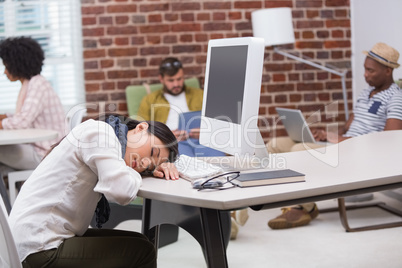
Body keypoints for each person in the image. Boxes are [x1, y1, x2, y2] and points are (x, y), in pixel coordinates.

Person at [8, 113, 179, 267]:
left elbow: (121, 180)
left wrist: (152, 170)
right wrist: (137, 174)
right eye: (152, 152)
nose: (145, 163)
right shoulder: (100, 133)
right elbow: (121, 190)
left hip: (37, 238)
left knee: (141, 241)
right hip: (38, 247)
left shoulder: (109, 139)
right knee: (143, 252)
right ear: (141, 128)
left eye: (151, 165)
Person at [267, 42, 402, 229]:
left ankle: (301, 206)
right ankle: (300, 204)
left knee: (298, 150)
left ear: (388, 71)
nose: (365, 75)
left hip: (361, 154)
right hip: (343, 145)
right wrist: (326, 134)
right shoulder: (366, 93)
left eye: (371, 71)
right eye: (365, 69)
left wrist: (344, 141)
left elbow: (390, 141)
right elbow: (348, 127)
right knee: (275, 145)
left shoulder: (395, 98)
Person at [0, 36, 65, 171]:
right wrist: (5, 116)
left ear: (16, 64)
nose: (4, 72)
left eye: (6, 66)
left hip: (46, 154)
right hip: (43, 150)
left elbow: (22, 122)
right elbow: (25, 115)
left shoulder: (37, 84)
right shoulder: (32, 84)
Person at [137, 57, 204, 142]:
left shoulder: (200, 94)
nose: (176, 84)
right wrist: (166, 137)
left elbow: (216, 123)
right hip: (172, 143)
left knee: (217, 155)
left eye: (179, 79)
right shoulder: (149, 100)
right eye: (171, 80)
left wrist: (204, 132)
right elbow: (140, 131)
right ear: (161, 79)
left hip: (201, 141)